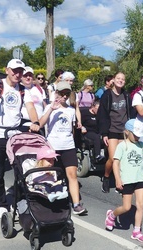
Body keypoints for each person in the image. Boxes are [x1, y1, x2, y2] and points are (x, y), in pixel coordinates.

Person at [0, 51, 40, 218]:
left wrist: (36, 122)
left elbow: (31, 108)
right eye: (14, 70)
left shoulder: (23, 90)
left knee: (21, 170)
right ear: (7, 70)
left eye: (20, 71)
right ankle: (1, 204)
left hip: (14, 134)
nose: (17, 74)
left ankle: (21, 200)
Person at [39, 80, 87, 215]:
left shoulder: (71, 110)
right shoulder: (49, 107)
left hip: (68, 146)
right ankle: (48, 201)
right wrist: (51, 109)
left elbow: (71, 129)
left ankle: (76, 204)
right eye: (62, 93)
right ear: (56, 93)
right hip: (53, 146)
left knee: (72, 175)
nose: (65, 96)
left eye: (67, 93)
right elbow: (41, 123)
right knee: (51, 175)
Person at [98, 72, 136, 193]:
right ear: (113, 80)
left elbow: (131, 111)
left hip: (124, 130)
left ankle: (120, 182)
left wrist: (131, 128)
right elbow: (102, 115)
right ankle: (107, 176)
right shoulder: (107, 95)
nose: (120, 81)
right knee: (113, 158)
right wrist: (104, 133)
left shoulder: (126, 95)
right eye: (118, 78)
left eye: (123, 79)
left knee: (122, 159)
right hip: (111, 129)